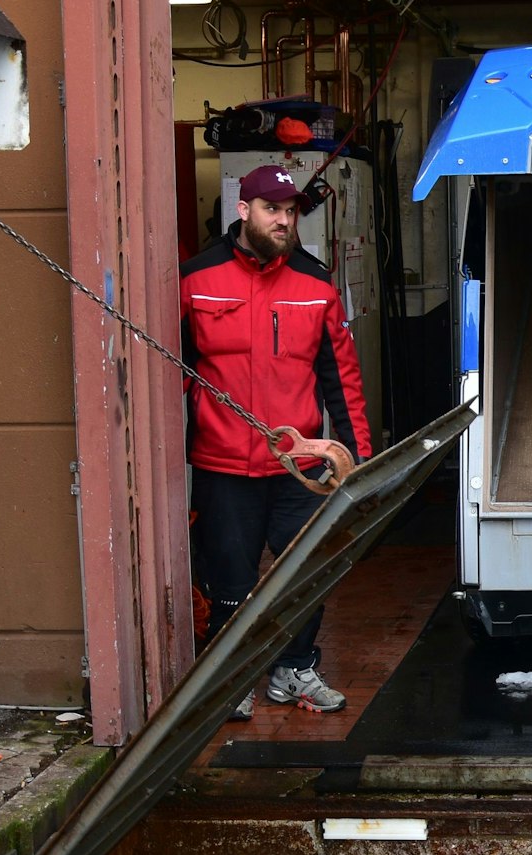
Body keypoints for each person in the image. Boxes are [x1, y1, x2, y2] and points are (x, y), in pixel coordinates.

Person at [180, 164, 374, 719]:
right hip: (222, 466)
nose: (283, 220)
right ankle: (233, 677)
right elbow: (171, 373)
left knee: (304, 575)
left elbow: (343, 379)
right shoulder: (194, 279)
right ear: (243, 212)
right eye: (272, 210)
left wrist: (355, 458)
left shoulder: (315, 285)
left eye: (290, 211)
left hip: (301, 468)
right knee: (230, 582)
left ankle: (294, 670)